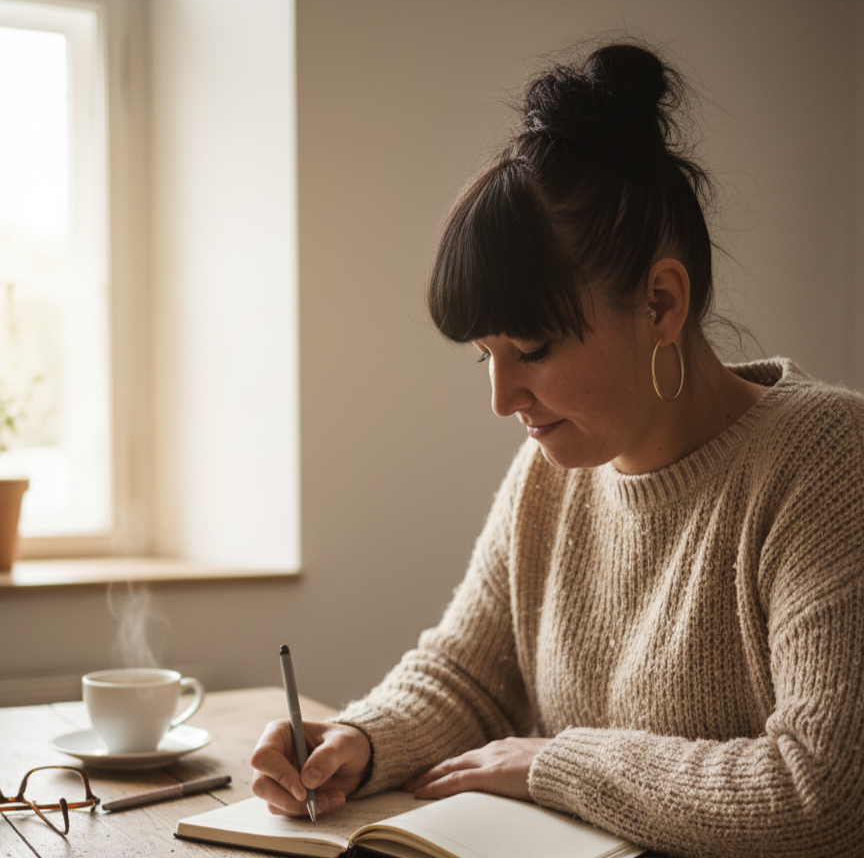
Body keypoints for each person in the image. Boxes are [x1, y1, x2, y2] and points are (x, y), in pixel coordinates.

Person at [251, 42, 864, 857]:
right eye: (485, 357)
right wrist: (359, 742)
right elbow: (470, 673)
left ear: (660, 302)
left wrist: (555, 762)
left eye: (532, 349)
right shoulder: (552, 476)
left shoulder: (827, 464)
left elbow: (824, 793)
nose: (502, 400)